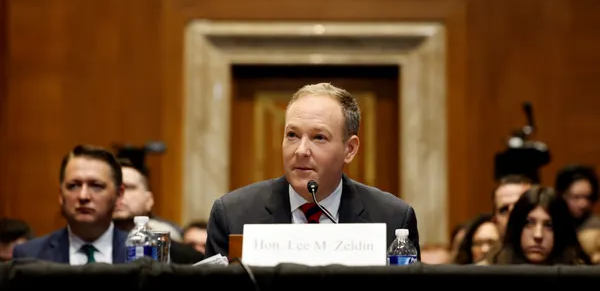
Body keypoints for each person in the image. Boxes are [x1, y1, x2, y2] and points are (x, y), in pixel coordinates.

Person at [205, 83, 420, 258]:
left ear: (350, 149)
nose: (301, 150)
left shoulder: (393, 219)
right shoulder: (233, 216)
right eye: (292, 135)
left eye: (319, 137)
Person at [13, 144, 127, 264]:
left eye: (96, 186)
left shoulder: (144, 253)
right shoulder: (29, 255)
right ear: (61, 194)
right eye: (73, 186)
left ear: (119, 195)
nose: (83, 196)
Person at [112, 158, 204, 264]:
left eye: (128, 187)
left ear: (149, 200)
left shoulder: (186, 257)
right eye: (114, 188)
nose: (119, 194)